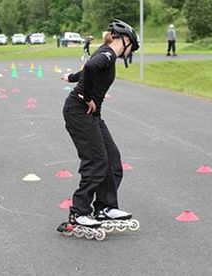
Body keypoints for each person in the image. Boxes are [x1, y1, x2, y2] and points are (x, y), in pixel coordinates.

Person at [60, 19, 139, 227]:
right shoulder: (109, 53)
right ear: (126, 40)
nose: (130, 52)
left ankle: (105, 206)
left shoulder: (105, 53)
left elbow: (88, 69)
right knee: (96, 161)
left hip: (91, 115)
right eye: (132, 47)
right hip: (79, 111)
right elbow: (92, 67)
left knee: (112, 159)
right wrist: (87, 97)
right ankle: (79, 212)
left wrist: (71, 77)